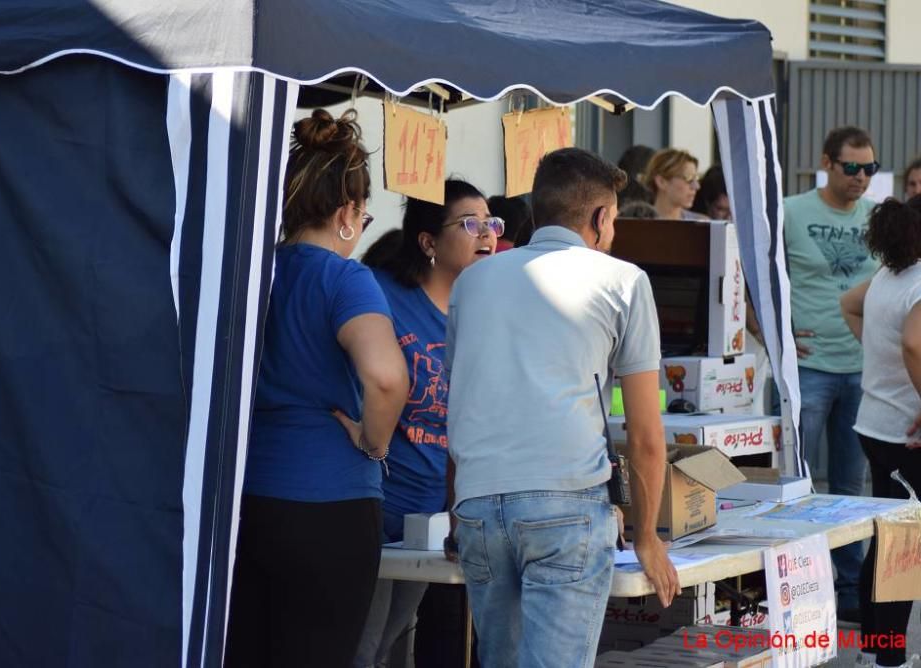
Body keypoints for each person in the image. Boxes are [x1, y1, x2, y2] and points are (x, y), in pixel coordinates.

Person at [445, 147, 680, 667]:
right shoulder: (623, 280)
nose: (613, 233)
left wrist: (456, 513)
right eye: (613, 220)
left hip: (479, 505)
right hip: (565, 504)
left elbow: (457, 401)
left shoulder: (473, 281)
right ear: (599, 218)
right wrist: (646, 537)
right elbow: (644, 432)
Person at [225, 109, 409, 668]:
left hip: (244, 496)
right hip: (329, 503)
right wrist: (374, 443)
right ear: (348, 212)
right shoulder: (344, 278)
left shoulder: (249, 269)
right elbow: (386, 376)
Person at [354, 180, 500, 668]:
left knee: (394, 642)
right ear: (427, 241)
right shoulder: (382, 295)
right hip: (375, 505)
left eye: (490, 223)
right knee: (363, 650)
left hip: (430, 518)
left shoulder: (481, 311)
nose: (487, 234)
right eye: (469, 223)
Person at [783, 125, 880, 623]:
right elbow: (753, 276)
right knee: (795, 481)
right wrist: (769, 335)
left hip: (861, 367)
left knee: (849, 485)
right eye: (851, 167)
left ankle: (847, 587)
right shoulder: (791, 211)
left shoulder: (877, 218)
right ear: (826, 162)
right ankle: (794, 585)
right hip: (808, 365)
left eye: (869, 168)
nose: (861, 177)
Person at [840, 196, 921, 668]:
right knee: (903, 549)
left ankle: (876, 653)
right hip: (902, 432)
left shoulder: (891, 277)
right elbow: (913, 342)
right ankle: (888, 660)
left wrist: (879, 352)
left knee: (887, 539)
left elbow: (847, 304)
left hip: (875, 424)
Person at [642, 148, 708, 221]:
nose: (696, 186)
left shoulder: (702, 224)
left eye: (696, 179)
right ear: (661, 182)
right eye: (689, 179)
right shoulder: (638, 224)